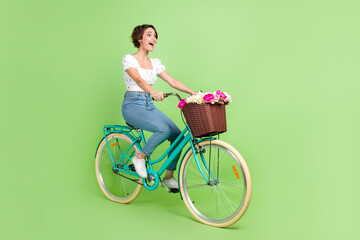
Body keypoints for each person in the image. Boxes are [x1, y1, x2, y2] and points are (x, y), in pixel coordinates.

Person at [121, 24, 196, 190]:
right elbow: (139, 80)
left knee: (177, 136)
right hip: (132, 105)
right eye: (149, 35)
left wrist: (194, 93)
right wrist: (153, 91)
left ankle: (168, 178)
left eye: (155, 36)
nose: (153, 38)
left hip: (149, 105)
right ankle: (139, 157)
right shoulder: (129, 59)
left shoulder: (155, 63)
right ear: (139, 39)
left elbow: (173, 81)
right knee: (163, 129)